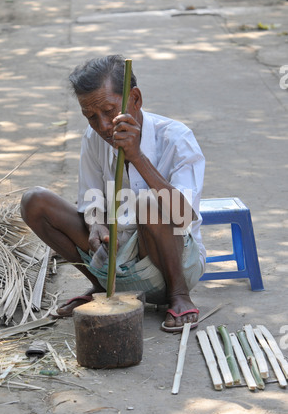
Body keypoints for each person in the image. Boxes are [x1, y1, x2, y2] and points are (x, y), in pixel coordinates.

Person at [20, 55, 206, 333]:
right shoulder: (93, 137)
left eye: (109, 111)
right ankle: (100, 286)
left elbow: (184, 216)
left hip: (171, 262)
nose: (103, 125)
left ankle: (179, 296)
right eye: (91, 116)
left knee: (148, 203)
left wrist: (137, 157)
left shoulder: (176, 137)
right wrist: (96, 225)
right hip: (116, 262)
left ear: (135, 99)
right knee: (34, 201)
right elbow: (91, 202)